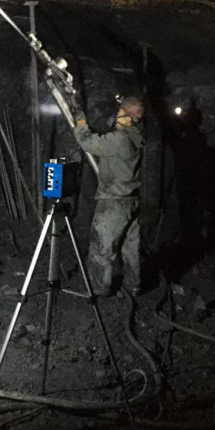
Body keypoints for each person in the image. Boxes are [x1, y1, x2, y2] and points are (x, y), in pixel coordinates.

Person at [73, 96, 145, 297]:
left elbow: (87, 142)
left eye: (120, 112)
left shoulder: (119, 140)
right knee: (131, 248)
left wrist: (80, 121)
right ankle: (133, 285)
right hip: (132, 201)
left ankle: (98, 289)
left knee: (101, 248)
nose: (116, 115)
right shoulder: (137, 137)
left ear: (128, 118)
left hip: (113, 203)